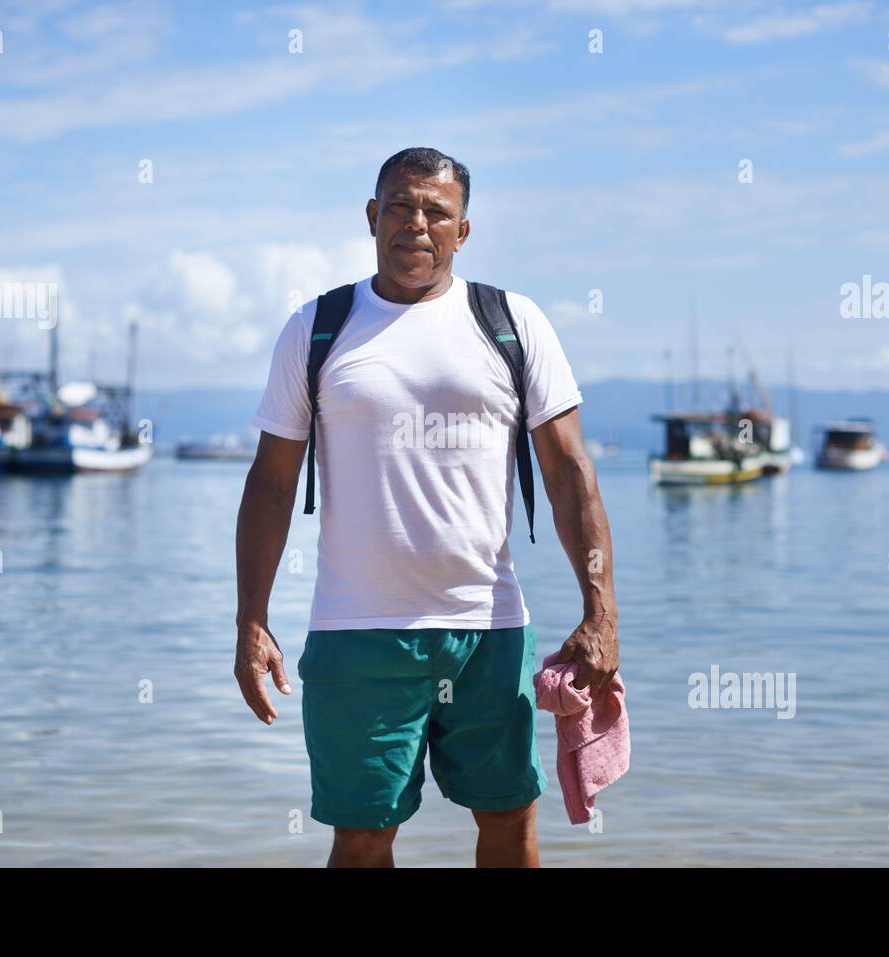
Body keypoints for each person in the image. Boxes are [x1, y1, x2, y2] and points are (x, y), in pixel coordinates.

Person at [234, 147, 618, 868]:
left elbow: (569, 472)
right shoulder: (317, 328)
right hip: (357, 634)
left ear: (462, 230)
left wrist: (602, 612)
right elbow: (271, 483)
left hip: (489, 628)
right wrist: (250, 619)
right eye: (401, 206)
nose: (417, 223)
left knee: (508, 823)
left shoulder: (510, 321)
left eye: (435, 211)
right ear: (372, 216)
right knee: (363, 835)